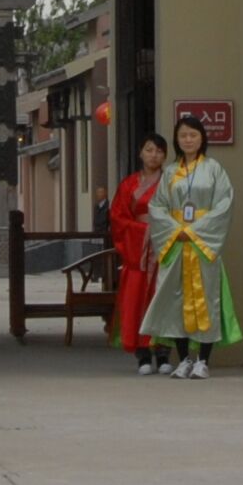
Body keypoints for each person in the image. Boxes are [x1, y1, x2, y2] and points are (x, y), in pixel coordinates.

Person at [138, 114, 236, 379]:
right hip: (177, 243)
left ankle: (203, 360)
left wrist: (194, 231)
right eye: (183, 135)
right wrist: (175, 231)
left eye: (193, 134)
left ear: (202, 138)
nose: (188, 139)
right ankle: (183, 360)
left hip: (202, 244)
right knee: (175, 300)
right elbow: (157, 206)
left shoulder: (214, 169)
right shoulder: (170, 172)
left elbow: (224, 204)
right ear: (177, 140)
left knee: (207, 299)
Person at [110, 134, 165, 373]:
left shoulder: (172, 182)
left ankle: (164, 353)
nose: (154, 155)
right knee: (137, 301)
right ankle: (143, 355)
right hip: (139, 252)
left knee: (163, 300)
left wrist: (163, 232)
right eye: (149, 149)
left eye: (159, 151)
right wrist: (142, 232)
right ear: (141, 153)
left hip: (165, 247)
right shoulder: (128, 185)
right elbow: (118, 218)